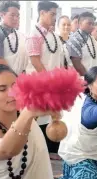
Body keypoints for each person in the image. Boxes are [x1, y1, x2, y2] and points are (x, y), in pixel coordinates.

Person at [25, 1, 64, 160]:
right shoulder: (33, 34)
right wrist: (49, 81)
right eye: (52, 14)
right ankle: (37, 151)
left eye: (56, 14)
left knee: (53, 115)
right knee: (37, 115)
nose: (55, 18)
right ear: (42, 13)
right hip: (39, 82)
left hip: (53, 82)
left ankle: (51, 150)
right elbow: (35, 61)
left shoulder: (52, 34)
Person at [0, 1, 28, 74]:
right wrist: (13, 77)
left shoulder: (20, 35)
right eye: (12, 15)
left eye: (17, 15)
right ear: (2, 14)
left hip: (20, 77)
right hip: (4, 77)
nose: (16, 18)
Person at [67, 11, 97, 77]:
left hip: (94, 77)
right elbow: (77, 65)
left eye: (93, 24)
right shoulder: (74, 40)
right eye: (89, 23)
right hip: (82, 79)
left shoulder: (90, 38)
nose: (92, 26)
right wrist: (89, 79)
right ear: (80, 24)